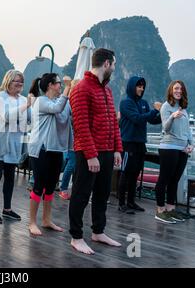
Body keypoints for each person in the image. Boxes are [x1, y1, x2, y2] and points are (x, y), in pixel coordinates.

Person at [68, 48, 123, 255]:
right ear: (107, 64)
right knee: (81, 195)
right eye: (114, 64)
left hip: (108, 151)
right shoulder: (81, 88)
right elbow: (81, 125)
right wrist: (91, 154)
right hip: (88, 152)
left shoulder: (107, 90)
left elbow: (114, 124)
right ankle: (76, 236)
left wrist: (117, 149)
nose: (115, 68)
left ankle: (98, 231)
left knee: (102, 193)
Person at [0, 70, 32, 223]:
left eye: (21, 81)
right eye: (16, 81)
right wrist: (26, 106)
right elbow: (6, 116)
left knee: (10, 177)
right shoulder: (0, 97)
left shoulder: (24, 99)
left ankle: (7, 209)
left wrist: (32, 107)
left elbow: (29, 120)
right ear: (8, 81)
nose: (19, 84)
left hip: (13, 143)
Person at [27, 73, 71, 236]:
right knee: (39, 185)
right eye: (59, 83)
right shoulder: (40, 102)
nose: (61, 85)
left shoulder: (62, 102)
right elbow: (56, 108)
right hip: (41, 149)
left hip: (56, 149)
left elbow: (67, 112)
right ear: (51, 85)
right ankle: (32, 222)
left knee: (51, 186)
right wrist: (68, 87)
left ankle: (46, 219)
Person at [118, 76, 162, 214]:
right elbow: (137, 119)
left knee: (135, 173)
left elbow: (151, 120)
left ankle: (131, 202)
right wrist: (154, 110)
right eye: (139, 86)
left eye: (143, 86)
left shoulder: (143, 102)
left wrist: (162, 113)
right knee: (125, 173)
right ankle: (121, 204)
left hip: (140, 144)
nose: (141, 89)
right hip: (128, 143)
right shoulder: (125, 103)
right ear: (132, 86)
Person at [155, 80, 194, 224]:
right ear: (171, 90)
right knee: (164, 179)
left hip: (182, 149)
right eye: (176, 88)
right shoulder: (166, 107)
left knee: (174, 180)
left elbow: (187, 130)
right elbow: (165, 128)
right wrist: (172, 116)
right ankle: (160, 210)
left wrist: (192, 144)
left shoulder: (183, 108)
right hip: (169, 148)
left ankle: (170, 209)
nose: (178, 91)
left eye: (181, 89)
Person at [58, 79, 80, 200]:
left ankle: (70, 188)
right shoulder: (69, 102)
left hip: (77, 137)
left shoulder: (77, 101)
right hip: (71, 138)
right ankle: (63, 188)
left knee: (73, 164)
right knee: (71, 164)